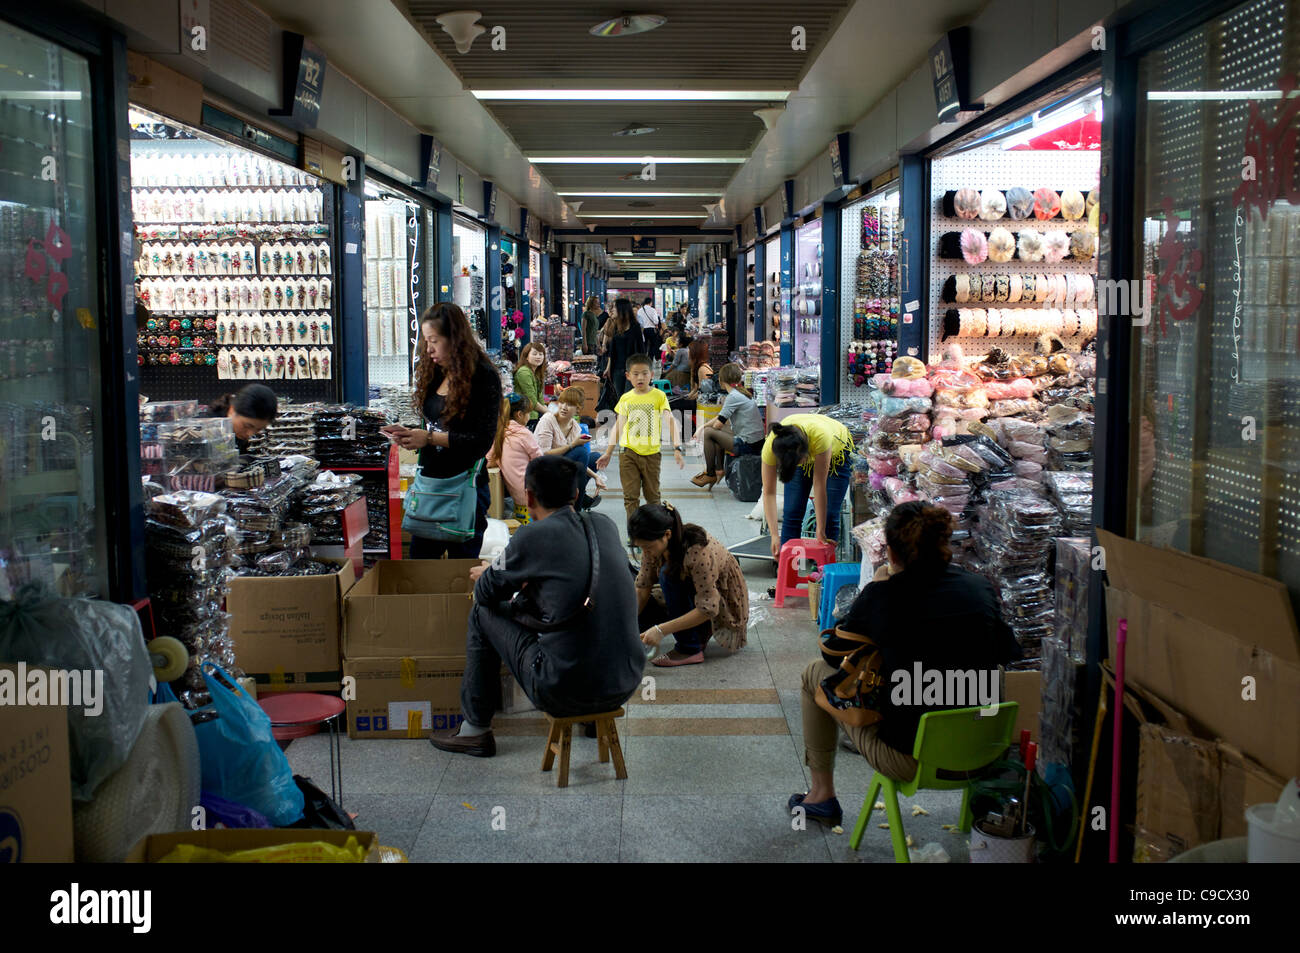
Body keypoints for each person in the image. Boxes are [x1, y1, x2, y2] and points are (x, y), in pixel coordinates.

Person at [788, 502, 1021, 826]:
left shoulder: (883, 595)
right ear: (944, 545)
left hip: (911, 757)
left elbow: (833, 655)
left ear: (892, 555)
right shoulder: (979, 588)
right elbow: (1007, 650)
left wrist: (875, 590)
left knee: (813, 674)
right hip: (984, 751)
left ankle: (821, 795)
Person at [429, 456, 644, 758]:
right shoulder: (604, 525)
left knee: (482, 613)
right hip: (625, 681)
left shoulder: (532, 535)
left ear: (529, 496)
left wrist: (490, 573)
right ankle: (593, 721)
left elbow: (487, 592)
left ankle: (475, 730)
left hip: (560, 688)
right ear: (576, 494)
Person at [386, 302, 501, 559]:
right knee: (420, 570)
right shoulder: (435, 373)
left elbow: (481, 442)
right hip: (430, 486)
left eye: (434, 341)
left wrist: (428, 437)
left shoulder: (483, 377)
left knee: (460, 573)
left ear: (455, 339)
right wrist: (412, 435)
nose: (429, 349)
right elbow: (436, 423)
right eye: (426, 341)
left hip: (464, 488)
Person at [630, 503, 749, 668]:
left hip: (720, 602)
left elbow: (708, 608)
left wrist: (660, 630)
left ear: (667, 534)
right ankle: (699, 632)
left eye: (648, 547)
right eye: (641, 547)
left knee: (666, 575)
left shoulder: (698, 551)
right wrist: (627, 627)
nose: (645, 552)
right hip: (697, 593)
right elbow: (642, 589)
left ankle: (690, 649)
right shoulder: (654, 545)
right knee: (641, 617)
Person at [596, 352, 684, 524]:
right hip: (628, 453)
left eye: (645, 373)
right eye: (636, 374)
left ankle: (655, 530)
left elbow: (670, 420)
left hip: (652, 454)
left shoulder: (659, 396)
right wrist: (607, 453)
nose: (640, 377)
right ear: (628, 376)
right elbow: (618, 427)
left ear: (652, 375)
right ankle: (634, 531)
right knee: (631, 497)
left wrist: (677, 447)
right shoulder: (626, 398)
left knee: (653, 497)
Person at [761, 413, 855, 559]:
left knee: (829, 514)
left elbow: (819, 486)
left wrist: (820, 529)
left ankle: (823, 573)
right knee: (792, 512)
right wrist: (774, 535)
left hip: (837, 452)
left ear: (805, 451)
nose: (800, 465)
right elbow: (768, 492)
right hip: (799, 450)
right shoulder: (773, 446)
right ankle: (789, 569)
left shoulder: (820, 436)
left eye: (800, 461)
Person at [534, 385, 606, 508]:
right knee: (581, 452)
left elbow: (581, 464)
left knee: (595, 458)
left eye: (570, 404)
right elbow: (543, 454)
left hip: (562, 467)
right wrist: (572, 444)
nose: (564, 407)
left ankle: (577, 496)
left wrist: (596, 477)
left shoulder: (575, 427)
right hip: (545, 467)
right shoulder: (548, 420)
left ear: (578, 409)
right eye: (562, 402)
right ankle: (578, 505)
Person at [694, 363, 763, 489]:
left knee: (709, 433)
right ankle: (719, 470)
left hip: (748, 445)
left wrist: (702, 430)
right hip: (756, 441)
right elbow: (721, 416)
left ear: (721, 380)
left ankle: (711, 473)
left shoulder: (733, 397)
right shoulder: (741, 393)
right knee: (713, 433)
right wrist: (701, 427)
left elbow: (718, 424)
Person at [487, 393, 541, 523]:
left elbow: (488, 460)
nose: (529, 416)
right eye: (528, 413)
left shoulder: (499, 433)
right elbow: (541, 462)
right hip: (532, 495)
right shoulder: (523, 434)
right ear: (519, 414)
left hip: (517, 497)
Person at [207, 383, 278, 453]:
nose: (250, 434)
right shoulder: (205, 431)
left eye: (258, 429)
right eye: (246, 426)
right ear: (232, 411)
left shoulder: (237, 433)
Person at [601, 298, 647, 397]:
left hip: (632, 369)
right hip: (616, 368)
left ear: (622, 309)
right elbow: (612, 351)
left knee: (629, 397)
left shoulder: (635, 327)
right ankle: (621, 413)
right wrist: (608, 368)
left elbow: (641, 350)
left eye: (614, 307)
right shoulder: (615, 326)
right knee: (619, 398)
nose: (612, 310)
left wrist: (643, 370)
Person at [668, 339, 713, 416]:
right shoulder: (696, 367)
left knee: (671, 406)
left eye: (689, 350)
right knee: (670, 403)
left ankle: (686, 427)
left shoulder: (703, 369)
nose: (688, 352)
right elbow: (695, 389)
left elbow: (703, 393)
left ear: (695, 352)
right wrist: (686, 397)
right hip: (697, 399)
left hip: (702, 403)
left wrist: (687, 399)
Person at [513, 342, 546, 422]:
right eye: (534, 354)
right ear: (526, 357)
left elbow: (540, 396)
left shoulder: (535, 372)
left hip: (533, 415)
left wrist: (546, 410)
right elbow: (532, 399)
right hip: (524, 416)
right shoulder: (524, 372)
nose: (538, 357)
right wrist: (548, 413)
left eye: (541, 354)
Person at [635, 296, 662, 372]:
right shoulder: (653, 310)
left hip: (643, 330)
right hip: (651, 330)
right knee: (653, 345)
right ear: (650, 303)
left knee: (644, 344)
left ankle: (643, 359)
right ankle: (650, 358)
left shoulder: (639, 310)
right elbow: (656, 321)